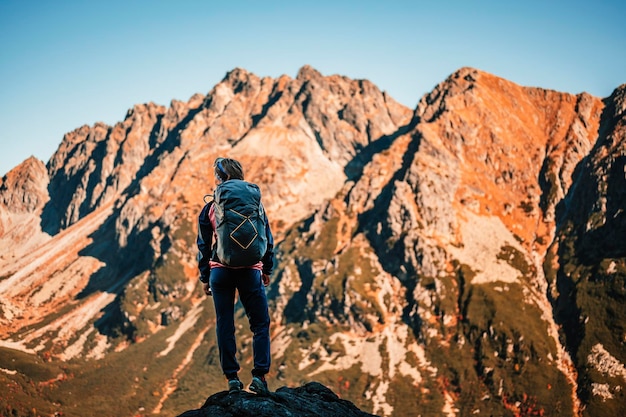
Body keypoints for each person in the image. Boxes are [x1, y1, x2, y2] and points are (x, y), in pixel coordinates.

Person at [197, 157, 275, 395]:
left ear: (220, 178)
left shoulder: (211, 207)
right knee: (260, 324)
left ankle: (232, 379)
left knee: (225, 323)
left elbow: (203, 244)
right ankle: (259, 376)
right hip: (250, 271)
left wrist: (205, 276)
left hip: (220, 272)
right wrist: (267, 269)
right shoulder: (255, 204)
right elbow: (267, 240)